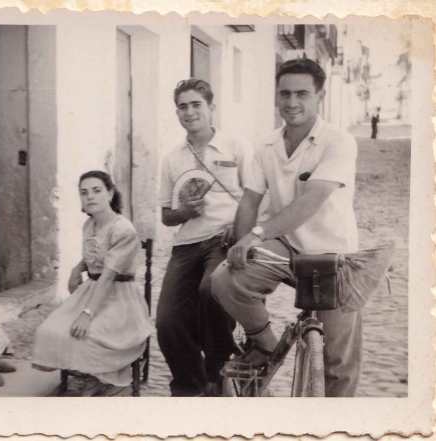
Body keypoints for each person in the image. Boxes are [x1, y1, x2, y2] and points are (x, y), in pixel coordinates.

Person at [211, 58, 361, 397]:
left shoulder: (338, 141)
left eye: (302, 94)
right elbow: (250, 201)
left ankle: (336, 421)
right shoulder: (266, 145)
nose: (292, 102)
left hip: (332, 256)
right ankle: (264, 343)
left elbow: (311, 201)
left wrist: (256, 234)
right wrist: (240, 245)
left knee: (337, 362)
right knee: (225, 279)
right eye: (285, 94)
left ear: (319, 96)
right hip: (286, 249)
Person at [156, 78, 254, 396]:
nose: (189, 112)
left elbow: (256, 196)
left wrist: (241, 228)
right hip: (186, 245)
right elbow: (166, 216)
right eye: (182, 106)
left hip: (225, 238)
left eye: (196, 104)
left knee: (210, 290)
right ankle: (190, 386)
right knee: (167, 321)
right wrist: (184, 211)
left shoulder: (236, 146)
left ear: (211, 108)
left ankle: (216, 372)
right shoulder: (172, 158)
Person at [31, 170, 153, 396]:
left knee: (88, 333)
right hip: (91, 291)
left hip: (120, 298)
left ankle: (104, 378)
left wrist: (87, 314)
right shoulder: (89, 224)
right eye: (84, 192)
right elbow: (94, 255)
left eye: (97, 191)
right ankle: (90, 374)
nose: (90, 197)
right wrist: (77, 268)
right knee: (48, 330)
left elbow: (108, 276)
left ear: (110, 193)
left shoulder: (123, 229)